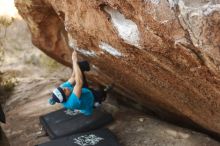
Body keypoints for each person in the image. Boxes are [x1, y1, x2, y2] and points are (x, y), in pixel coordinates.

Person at [48, 50, 112, 116]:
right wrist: (74, 61)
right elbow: (79, 83)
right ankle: (103, 94)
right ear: (66, 97)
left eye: (62, 88)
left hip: (83, 91)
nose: (65, 88)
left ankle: (89, 65)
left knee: (79, 67)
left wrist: (75, 62)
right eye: (64, 91)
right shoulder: (71, 102)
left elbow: (73, 77)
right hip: (90, 100)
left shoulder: (62, 87)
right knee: (101, 94)